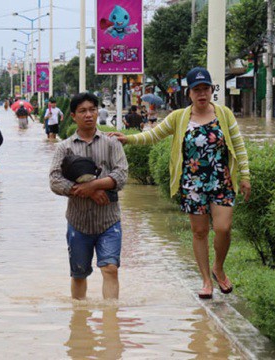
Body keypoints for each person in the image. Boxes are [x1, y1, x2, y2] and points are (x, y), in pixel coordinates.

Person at [110, 67, 251, 299]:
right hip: (192, 183)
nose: (202, 94)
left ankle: (219, 267)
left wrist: (245, 176)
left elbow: (239, 147)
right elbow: (153, 135)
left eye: (205, 89)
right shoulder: (179, 117)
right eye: (197, 90)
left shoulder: (224, 114)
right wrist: (128, 139)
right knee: (199, 232)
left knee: (224, 229)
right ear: (189, 93)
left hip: (221, 181)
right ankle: (206, 280)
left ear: (211, 90)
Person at [50, 92, 128, 300]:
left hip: (109, 221)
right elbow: (55, 181)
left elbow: (121, 175)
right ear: (73, 116)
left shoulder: (112, 143)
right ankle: (79, 321)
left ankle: (110, 321)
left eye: (92, 110)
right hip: (78, 222)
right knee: (78, 274)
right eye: (83, 111)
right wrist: (87, 192)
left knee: (110, 268)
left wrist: (92, 186)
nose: (88, 115)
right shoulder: (64, 147)